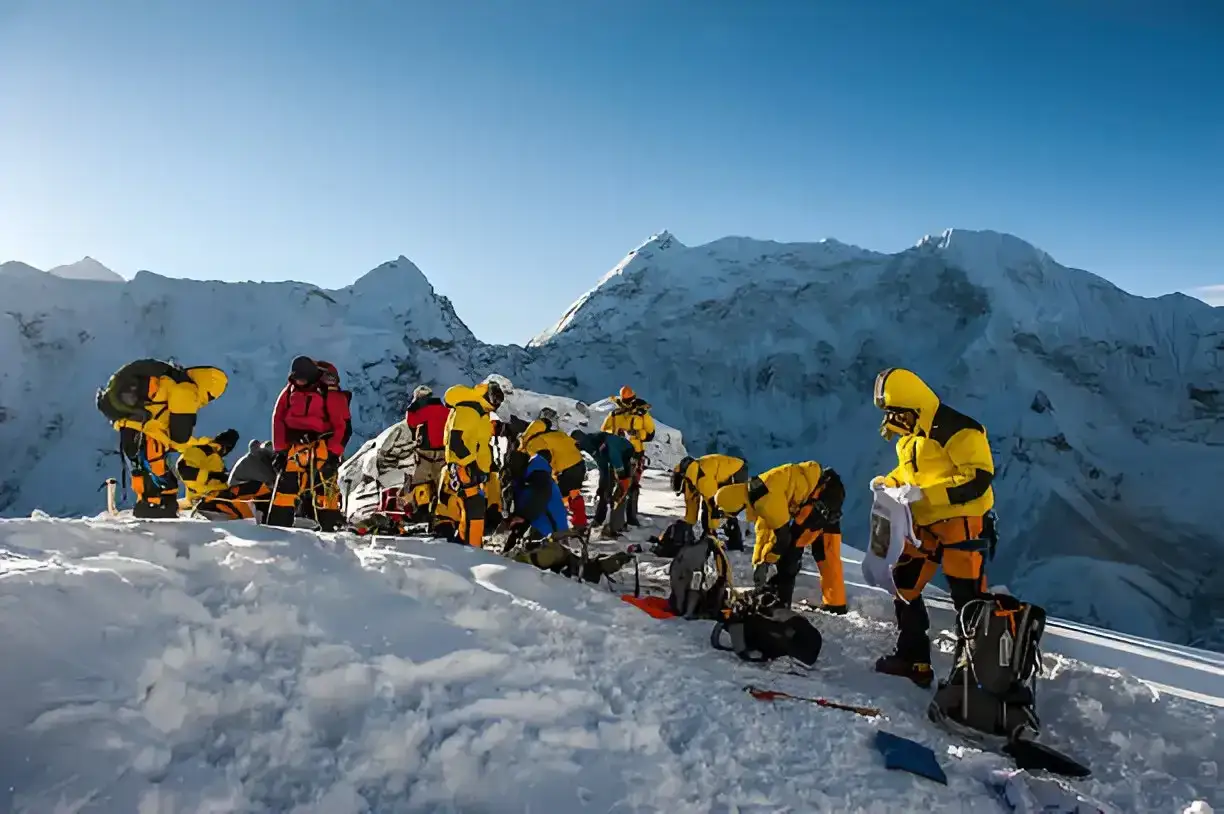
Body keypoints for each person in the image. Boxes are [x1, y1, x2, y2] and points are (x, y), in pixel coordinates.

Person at [871, 367, 996, 687]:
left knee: (968, 601)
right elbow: (909, 473)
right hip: (923, 525)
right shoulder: (912, 439)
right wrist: (889, 483)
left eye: (898, 414)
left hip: (962, 526)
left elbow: (977, 479)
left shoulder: (961, 430)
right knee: (903, 584)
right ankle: (914, 659)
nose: (895, 423)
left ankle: (970, 678)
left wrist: (926, 493)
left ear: (914, 407)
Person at [95, 358, 228, 518]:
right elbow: (179, 436)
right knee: (154, 464)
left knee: (140, 466)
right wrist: (206, 444)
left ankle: (149, 502)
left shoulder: (171, 381)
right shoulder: (186, 390)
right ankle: (156, 504)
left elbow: (163, 426)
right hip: (143, 429)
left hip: (134, 424)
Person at [714, 462, 847, 612]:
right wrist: (759, 562)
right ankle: (836, 603)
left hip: (822, 498)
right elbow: (764, 532)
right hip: (825, 493)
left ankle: (783, 604)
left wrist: (768, 560)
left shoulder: (766, 500)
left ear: (738, 506)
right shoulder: (756, 491)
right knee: (826, 549)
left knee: (791, 552)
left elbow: (783, 537)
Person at [266, 356, 348, 528]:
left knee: (324, 492)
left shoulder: (329, 392)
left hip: (321, 448)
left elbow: (341, 424)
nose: (299, 381)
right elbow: (278, 419)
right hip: (294, 449)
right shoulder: (289, 391)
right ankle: (276, 530)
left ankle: (330, 530)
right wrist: (280, 451)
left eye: (302, 378)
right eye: (296, 378)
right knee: (284, 493)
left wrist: (333, 454)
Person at [442, 378, 505, 546]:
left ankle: (466, 542)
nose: (496, 403)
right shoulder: (468, 408)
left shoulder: (479, 412)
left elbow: (477, 439)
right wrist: (471, 465)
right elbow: (457, 441)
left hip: (472, 467)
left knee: (472, 505)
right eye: (495, 398)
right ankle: (471, 547)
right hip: (464, 466)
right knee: (473, 506)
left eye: (499, 400)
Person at [520, 408, 588, 528]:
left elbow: (544, 461)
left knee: (553, 498)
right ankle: (580, 522)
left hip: (566, 469)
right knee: (574, 493)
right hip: (579, 464)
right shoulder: (558, 434)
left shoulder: (534, 442)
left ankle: (555, 526)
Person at [600, 386, 656, 526]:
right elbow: (604, 431)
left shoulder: (642, 414)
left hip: (634, 453)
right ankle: (613, 516)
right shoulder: (614, 415)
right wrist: (614, 434)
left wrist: (637, 434)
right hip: (617, 453)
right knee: (614, 484)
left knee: (632, 485)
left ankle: (630, 517)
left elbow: (650, 434)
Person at [671, 454, 747, 551]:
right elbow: (692, 503)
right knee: (708, 507)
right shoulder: (689, 479)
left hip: (737, 470)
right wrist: (688, 523)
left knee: (726, 506)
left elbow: (713, 505)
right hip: (717, 473)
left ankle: (735, 543)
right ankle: (709, 535)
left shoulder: (703, 478)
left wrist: (712, 530)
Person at [309, 360, 352, 531]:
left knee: (325, 483)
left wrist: (333, 453)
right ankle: (327, 516)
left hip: (326, 448)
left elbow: (341, 428)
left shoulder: (332, 397)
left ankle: (327, 518)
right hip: (326, 448)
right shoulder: (331, 396)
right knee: (325, 484)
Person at [571, 429, 634, 539]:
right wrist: (602, 484)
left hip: (625, 454)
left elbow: (616, 458)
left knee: (621, 492)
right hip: (607, 454)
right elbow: (601, 463)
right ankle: (600, 519)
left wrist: (622, 476)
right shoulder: (590, 444)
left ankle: (616, 525)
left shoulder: (609, 444)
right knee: (604, 490)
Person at [403, 384, 450, 521]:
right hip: (443, 453)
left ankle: (422, 512)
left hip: (425, 453)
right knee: (439, 483)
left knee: (420, 482)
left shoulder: (424, 411)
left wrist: (412, 407)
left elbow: (411, 422)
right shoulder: (445, 410)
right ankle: (440, 513)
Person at [175, 428, 239, 512]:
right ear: (226, 446)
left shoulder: (215, 456)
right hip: (203, 498)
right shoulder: (202, 450)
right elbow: (185, 470)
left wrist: (225, 477)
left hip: (212, 495)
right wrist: (210, 476)